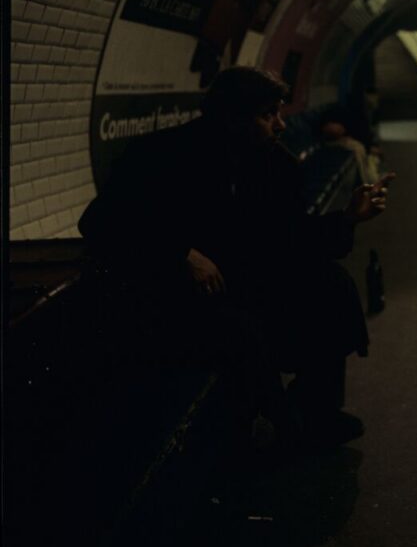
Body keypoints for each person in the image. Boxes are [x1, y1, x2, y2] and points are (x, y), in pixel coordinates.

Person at [78, 66, 396, 449]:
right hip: (178, 292)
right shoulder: (160, 155)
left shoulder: (273, 164)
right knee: (237, 326)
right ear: (231, 118)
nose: (280, 124)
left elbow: (294, 237)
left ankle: (317, 408)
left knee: (331, 285)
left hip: (245, 280)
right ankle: (285, 419)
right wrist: (180, 253)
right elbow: (98, 223)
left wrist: (348, 218)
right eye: (268, 115)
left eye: (279, 112)